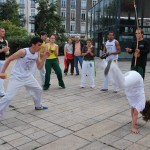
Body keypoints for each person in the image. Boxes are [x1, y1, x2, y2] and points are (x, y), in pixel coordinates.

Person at [0, 37, 49, 119]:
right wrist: (2, 72)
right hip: (17, 77)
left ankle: (38, 106)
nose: (40, 47)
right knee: (8, 97)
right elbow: (9, 59)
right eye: (39, 45)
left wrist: (44, 57)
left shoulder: (37, 54)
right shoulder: (23, 51)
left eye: (41, 45)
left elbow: (39, 67)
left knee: (38, 89)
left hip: (28, 77)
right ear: (33, 45)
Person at [105, 61, 150, 134]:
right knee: (122, 83)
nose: (140, 113)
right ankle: (112, 65)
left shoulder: (138, 103)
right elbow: (135, 114)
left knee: (116, 82)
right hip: (136, 78)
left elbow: (132, 110)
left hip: (133, 76)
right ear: (144, 112)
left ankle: (107, 65)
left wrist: (133, 121)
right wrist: (133, 127)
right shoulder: (141, 104)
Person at [0, 27, 10, 97]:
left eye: (4, 31)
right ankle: (2, 92)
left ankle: (2, 91)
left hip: (3, 61)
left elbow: (7, 53)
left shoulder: (6, 41)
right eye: (2, 31)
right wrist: (2, 50)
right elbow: (2, 50)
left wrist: (7, 51)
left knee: (2, 77)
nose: (4, 32)